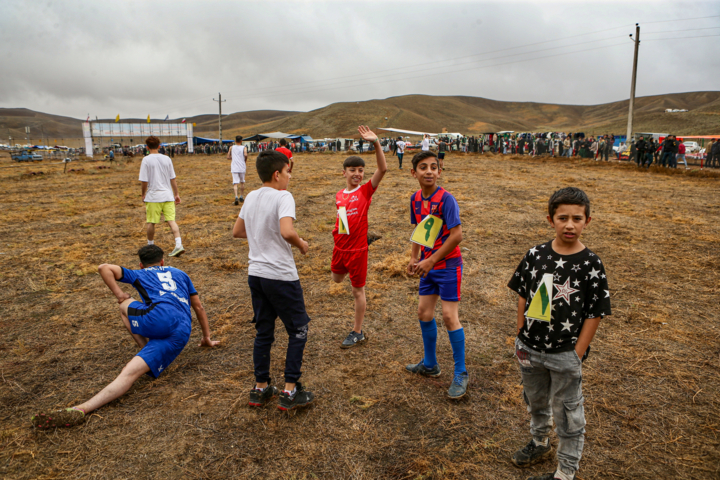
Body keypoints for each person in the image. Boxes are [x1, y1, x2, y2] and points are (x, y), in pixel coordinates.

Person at [31, 245, 219, 429]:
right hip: (182, 330)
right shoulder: (181, 274)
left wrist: (120, 294)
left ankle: (83, 406)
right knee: (132, 371)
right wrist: (206, 338)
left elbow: (103, 268)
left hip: (157, 319)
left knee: (124, 312)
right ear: (162, 261)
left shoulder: (141, 274)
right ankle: (81, 409)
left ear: (140, 264)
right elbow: (199, 307)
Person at [507, 187, 611, 480]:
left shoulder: (591, 263)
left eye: (577, 218)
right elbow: (523, 295)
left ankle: (566, 471)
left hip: (565, 353)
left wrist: (577, 352)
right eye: (562, 217)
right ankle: (540, 442)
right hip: (529, 349)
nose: (569, 224)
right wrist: (520, 331)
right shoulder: (535, 255)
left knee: (567, 413)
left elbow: (595, 312)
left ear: (587, 221)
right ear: (550, 219)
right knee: (536, 400)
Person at [232, 150, 314, 411]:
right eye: (289, 172)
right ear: (277, 174)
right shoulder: (283, 196)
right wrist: (300, 244)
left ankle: (260, 388)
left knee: (264, 331)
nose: (290, 177)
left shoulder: (252, 196)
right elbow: (287, 231)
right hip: (280, 275)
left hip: (255, 274)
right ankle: (290, 391)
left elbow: (237, 231)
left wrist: (260, 235)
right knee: (298, 330)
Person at [404, 151, 467, 399]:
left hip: (448, 265)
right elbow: (419, 230)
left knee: (450, 317)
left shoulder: (447, 200)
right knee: (424, 313)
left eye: (434, 167)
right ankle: (430, 365)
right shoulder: (415, 199)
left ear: (440, 171)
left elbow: (457, 235)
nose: (429, 171)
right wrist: (414, 256)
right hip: (427, 265)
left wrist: (431, 260)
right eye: (423, 167)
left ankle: (461, 373)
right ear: (414, 173)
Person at [331, 126, 387, 348]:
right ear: (343, 172)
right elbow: (342, 218)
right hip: (340, 247)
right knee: (336, 280)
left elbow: (382, 170)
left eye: (361, 170)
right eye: (352, 170)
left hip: (357, 251)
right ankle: (366, 237)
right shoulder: (339, 195)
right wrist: (337, 231)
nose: (357, 174)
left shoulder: (365, 191)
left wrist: (376, 143)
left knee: (357, 291)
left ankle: (357, 331)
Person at [139, 136, 184, 257]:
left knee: (151, 222)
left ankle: (150, 245)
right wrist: (176, 194)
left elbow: (144, 180)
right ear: (159, 146)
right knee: (171, 221)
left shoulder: (146, 160)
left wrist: (143, 194)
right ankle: (178, 244)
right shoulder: (167, 159)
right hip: (168, 195)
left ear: (147, 147)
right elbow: (172, 178)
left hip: (153, 196)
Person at [227, 135, 248, 205]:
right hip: (242, 166)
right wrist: (244, 160)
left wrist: (233, 158)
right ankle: (241, 196)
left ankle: (236, 196)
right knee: (242, 182)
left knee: (235, 183)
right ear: (241, 141)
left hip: (234, 166)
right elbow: (245, 155)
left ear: (235, 141)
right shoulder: (244, 147)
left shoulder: (231, 147)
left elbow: (228, 157)